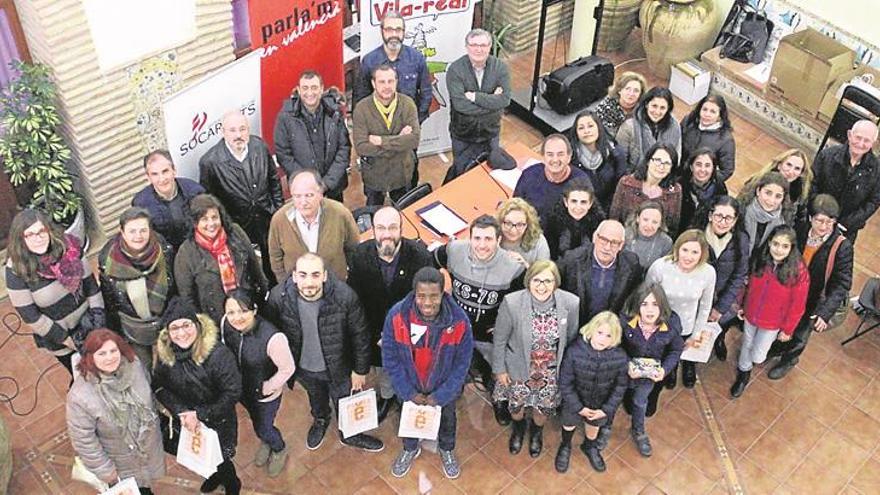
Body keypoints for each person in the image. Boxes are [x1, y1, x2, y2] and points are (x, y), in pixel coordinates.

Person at [266, 253, 384, 452]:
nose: (309, 282)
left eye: (315, 275)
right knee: (316, 398)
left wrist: (360, 370)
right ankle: (321, 419)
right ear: (294, 276)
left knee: (345, 401)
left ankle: (350, 434)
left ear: (324, 276)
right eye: (303, 275)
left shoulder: (345, 296)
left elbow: (360, 334)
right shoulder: (279, 298)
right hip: (304, 369)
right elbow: (272, 335)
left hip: (340, 368)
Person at [433, 215, 525, 425]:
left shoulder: (514, 267)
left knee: (497, 369)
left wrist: (504, 324)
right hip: (457, 326)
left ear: (499, 240)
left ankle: (499, 399)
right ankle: (451, 391)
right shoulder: (454, 250)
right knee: (450, 363)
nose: (482, 245)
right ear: (470, 237)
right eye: (477, 238)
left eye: (488, 239)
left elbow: (520, 301)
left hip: (489, 332)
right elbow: (431, 259)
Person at [383, 267, 473, 480]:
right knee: (409, 421)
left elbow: (462, 364)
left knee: (448, 421)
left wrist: (441, 396)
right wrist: (407, 392)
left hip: (443, 390)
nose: (427, 302)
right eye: (421, 296)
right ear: (414, 294)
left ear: (443, 294)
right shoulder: (396, 316)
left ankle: (447, 449)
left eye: (434, 296)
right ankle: (410, 448)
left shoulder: (459, 321)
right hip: (410, 388)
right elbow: (390, 356)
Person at [348, 206, 432, 423]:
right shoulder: (359, 255)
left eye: (393, 227)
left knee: (410, 370)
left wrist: (400, 333)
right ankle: (386, 397)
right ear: (373, 229)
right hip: (375, 333)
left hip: (411, 332)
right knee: (384, 371)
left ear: (401, 229)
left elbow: (426, 302)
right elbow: (355, 301)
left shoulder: (420, 256)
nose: (387, 234)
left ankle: (407, 399)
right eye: (381, 228)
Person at [153, 298, 243, 494]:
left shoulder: (218, 355)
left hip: (219, 418)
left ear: (197, 325)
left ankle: (231, 482)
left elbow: (233, 392)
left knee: (221, 456)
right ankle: (214, 475)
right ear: (168, 332)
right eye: (175, 328)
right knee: (201, 454)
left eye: (186, 325)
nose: (182, 333)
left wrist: (200, 414)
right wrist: (182, 411)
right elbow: (159, 385)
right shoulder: (165, 353)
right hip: (186, 420)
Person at [492, 260, 580, 460]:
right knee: (517, 407)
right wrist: (500, 370)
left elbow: (571, 337)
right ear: (528, 281)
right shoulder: (512, 303)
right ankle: (518, 429)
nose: (542, 286)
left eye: (548, 281)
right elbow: (500, 338)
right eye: (537, 280)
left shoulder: (570, 303)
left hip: (550, 372)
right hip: (518, 368)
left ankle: (536, 433)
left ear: (556, 283)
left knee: (542, 409)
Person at [6, 209, 105, 375]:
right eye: (29, 235)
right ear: (20, 240)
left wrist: (99, 324)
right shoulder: (17, 270)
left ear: (49, 230)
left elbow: (91, 286)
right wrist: (69, 341)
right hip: (62, 341)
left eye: (41, 231)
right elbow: (31, 317)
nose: (38, 238)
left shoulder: (70, 247)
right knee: (84, 376)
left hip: (91, 325)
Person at [66, 329, 164, 495]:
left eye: (113, 351)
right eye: (101, 353)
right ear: (90, 357)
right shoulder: (80, 396)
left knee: (145, 486)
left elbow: (149, 393)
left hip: (147, 449)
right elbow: (83, 440)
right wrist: (105, 470)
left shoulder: (135, 365)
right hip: (119, 463)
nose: (110, 357)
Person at [767, 195, 853, 380]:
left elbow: (842, 283)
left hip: (812, 299)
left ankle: (789, 359)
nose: (824, 226)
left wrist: (825, 312)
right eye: (819, 220)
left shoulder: (842, 246)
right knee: (781, 323)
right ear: (810, 218)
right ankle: (776, 348)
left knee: (800, 333)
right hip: (787, 289)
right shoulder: (800, 228)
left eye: (830, 221)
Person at [199, 111, 283, 284]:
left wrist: (277, 209)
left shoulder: (259, 146)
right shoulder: (210, 162)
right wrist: (227, 226)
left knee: (273, 260)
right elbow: (211, 201)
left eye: (242, 129)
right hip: (238, 225)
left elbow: (273, 179)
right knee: (245, 268)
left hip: (266, 217)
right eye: (232, 130)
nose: (238, 135)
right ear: (223, 132)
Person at [221, 290, 295, 478]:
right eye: (231, 312)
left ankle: (279, 448)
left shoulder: (273, 337)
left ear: (254, 310)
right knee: (258, 422)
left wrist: (267, 387)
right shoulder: (226, 326)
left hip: (265, 395)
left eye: (243, 311)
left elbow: (287, 368)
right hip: (242, 391)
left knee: (264, 426)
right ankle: (266, 440)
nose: (237, 318)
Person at [731, 225, 809, 398]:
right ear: (769, 243)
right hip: (751, 314)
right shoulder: (760, 259)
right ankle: (743, 374)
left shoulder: (799, 272)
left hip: (773, 323)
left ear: (792, 248)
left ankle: (751, 361)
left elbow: (798, 305)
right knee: (747, 344)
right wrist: (741, 304)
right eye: (775, 244)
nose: (778, 250)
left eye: (784, 246)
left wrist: (788, 329)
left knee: (758, 355)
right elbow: (746, 283)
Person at [98, 207, 175, 369]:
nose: (138, 236)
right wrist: (117, 335)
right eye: (132, 231)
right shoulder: (109, 262)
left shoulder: (164, 250)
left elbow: (175, 288)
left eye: (143, 230)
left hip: (165, 321)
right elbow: (110, 302)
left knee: (171, 364)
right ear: (122, 232)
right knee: (143, 368)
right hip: (134, 328)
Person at [174, 194, 268, 324]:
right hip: (216, 320)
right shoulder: (186, 252)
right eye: (204, 219)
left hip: (248, 308)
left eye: (214, 217)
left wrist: (263, 296)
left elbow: (255, 267)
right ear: (195, 222)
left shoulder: (236, 232)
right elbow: (187, 297)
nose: (211, 224)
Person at [615, 283, 684, 457]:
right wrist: (626, 364)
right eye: (644, 304)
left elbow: (676, 350)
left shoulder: (672, 324)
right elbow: (615, 346)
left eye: (655, 304)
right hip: (624, 372)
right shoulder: (625, 321)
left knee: (640, 402)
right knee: (614, 399)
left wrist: (665, 370)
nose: (650, 310)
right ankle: (606, 429)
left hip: (648, 378)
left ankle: (638, 431)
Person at [556, 311, 628, 473]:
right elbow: (565, 382)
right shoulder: (574, 351)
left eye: (609, 335)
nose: (602, 339)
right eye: (600, 333)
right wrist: (578, 407)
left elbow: (620, 387)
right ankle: (565, 445)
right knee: (568, 424)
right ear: (591, 330)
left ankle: (589, 446)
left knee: (593, 427)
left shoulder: (621, 357)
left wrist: (606, 410)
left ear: (615, 338)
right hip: (574, 403)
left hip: (600, 404)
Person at [647, 230, 716, 389]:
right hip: (660, 323)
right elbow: (646, 295)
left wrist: (696, 333)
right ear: (677, 248)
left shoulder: (708, 273)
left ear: (702, 254)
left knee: (679, 349)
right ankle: (670, 370)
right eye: (685, 250)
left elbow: (705, 306)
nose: (688, 256)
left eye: (694, 252)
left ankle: (683, 365)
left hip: (686, 325)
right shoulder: (660, 266)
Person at [267, 170, 360, 282]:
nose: (303, 202)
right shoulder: (280, 219)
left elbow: (354, 249)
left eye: (309, 195)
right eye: (297, 196)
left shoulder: (340, 213)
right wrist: (285, 283)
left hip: (334, 285)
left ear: (321, 194)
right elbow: (275, 256)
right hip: (297, 289)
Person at [445, 28, 511, 182]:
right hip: (463, 135)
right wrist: (492, 101)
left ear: (489, 46)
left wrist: (475, 97)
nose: (478, 49)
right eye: (474, 45)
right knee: (462, 176)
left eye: (483, 45)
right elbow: (460, 105)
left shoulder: (500, 68)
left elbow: (505, 100)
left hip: (490, 133)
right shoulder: (455, 70)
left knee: (490, 175)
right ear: (467, 47)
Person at [273, 70, 351, 201]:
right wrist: (307, 183)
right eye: (305, 88)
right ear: (298, 90)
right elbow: (283, 154)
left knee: (335, 220)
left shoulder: (334, 112)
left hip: (333, 187)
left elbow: (344, 148)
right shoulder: (285, 117)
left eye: (314, 88)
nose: (310, 93)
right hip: (304, 191)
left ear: (321, 89)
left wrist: (326, 183)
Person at [352, 64, 421, 205]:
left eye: (390, 81)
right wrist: (399, 140)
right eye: (381, 82)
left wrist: (381, 142)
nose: (386, 86)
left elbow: (414, 140)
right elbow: (361, 148)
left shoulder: (407, 104)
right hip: (374, 175)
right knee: (373, 211)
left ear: (396, 82)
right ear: (373, 83)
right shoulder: (361, 109)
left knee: (404, 211)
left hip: (402, 172)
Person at [692, 196, 750, 361]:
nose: (723, 221)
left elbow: (739, 275)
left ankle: (719, 339)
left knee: (720, 324)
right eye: (719, 216)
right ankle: (689, 362)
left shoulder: (741, 240)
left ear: (735, 220)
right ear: (710, 215)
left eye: (729, 218)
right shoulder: (696, 234)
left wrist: (720, 307)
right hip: (697, 296)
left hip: (724, 296)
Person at [354, 10, 433, 125]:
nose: (394, 35)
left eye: (398, 30)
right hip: (378, 127)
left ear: (404, 32)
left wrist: (415, 122)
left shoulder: (417, 58)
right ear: (382, 31)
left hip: (408, 127)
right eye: (389, 29)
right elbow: (360, 98)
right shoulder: (369, 61)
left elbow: (426, 93)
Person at [558, 220, 642, 324]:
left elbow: (633, 300)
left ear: (621, 245)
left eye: (614, 243)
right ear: (595, 238)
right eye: (603, 239)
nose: (607, 247)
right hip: (577, 325)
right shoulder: (572, 260)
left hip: (611, 328)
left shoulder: (631, 263)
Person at [810, 119, 880, 244]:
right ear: (849, 135)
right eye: (858, 137)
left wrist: (844, 224)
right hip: (816, 217)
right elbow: (812, 183)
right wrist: (820, 215)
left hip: (846, 228)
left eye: (867, 140)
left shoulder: (877, 170)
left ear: (873, 143)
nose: (861, 143)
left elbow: (873, 202)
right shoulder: (827, 155)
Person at [132, 149, 205, 251]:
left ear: (174, 170)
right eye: (155, 174)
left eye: (165, 171)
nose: (162, 179)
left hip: (199, 249)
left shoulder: (195, 191)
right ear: (148, 177)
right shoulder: (141, 203)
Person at [610, 142, 683, 234]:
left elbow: (673, 227)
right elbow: (614, 217)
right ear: (648, 161)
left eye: (667, 163)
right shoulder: (626, 183)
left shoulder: (675, 191)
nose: (661, 166)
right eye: (657, 160)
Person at [513, 134, 589, 222]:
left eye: (560, 154)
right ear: (543, 156)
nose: (555, 159)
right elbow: (515, 207)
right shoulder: (529, 174)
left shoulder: (581, 183)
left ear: (569, 156)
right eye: (550, 154)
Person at [567, 109, 628, 208]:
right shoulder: (570, 157)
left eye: (590, 126)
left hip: (607, 206)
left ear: (599, 128)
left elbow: (620, 186)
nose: (586, 131)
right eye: (581, 128)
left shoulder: (615, 153)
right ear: (576, 133)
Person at [616, 86, 681, 172]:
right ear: (647, 104)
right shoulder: (629, 127)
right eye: (654, 106)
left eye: (662, 108)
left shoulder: (674, 127)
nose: (657, 112)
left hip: (663, 175)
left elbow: (677, 156)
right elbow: (620, 161)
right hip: (633, 175)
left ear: (668, 108)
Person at [742, 148, 812, 222]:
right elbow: (741, 202)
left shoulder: (800, 195)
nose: (791, 172)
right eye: (788, 165)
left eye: (797, 169)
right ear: (779, 165)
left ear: (801, 173)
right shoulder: (759, 180)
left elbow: (799, 219)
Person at [544, 178, 606, 261]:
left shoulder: (600, 224)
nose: (578, 207)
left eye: (583, 202)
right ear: (566, 202)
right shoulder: (553, 222)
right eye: (574, 201)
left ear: (590, 203)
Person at [679, 94, 736, 182]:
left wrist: (705, 179)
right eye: (705, 109)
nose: (707, 114)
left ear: (719, 116)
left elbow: (726, 171)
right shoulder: (688, 122)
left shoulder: (726, 140)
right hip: (677, 173)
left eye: (712, 112)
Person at [737, 171, 793, 256]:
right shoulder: (741, 211)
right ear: (758, 191)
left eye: (778, 196)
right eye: (768, 193)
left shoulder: (783, 220)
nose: (771, 200)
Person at [679, 148, 729, 231]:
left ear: (713, 168)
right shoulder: (680, 184)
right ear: (691, 167)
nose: (702, 170)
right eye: (698, 164)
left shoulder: (719, 188)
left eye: (707, 165)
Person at [495, 198, 551, 268]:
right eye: (508, 223)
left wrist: (525, 267)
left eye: (519, 225)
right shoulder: (491, 236)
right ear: (500, 222)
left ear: (527, 224)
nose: (513, 230)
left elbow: (545, 274)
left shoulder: (538, 241)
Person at [623, 201, 673, 273]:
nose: (649, 226)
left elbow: (664, 270)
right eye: (645, 220)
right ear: (638, 218)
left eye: (655, 222)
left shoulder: (666, 242)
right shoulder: (625, 235)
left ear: (660, 223)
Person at [594, 71, 647, 137]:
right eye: (627, 89)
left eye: (636, 91)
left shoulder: (644, 107)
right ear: (619, 90)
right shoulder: (605, 108)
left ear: (640, 94)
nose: (631, 94)